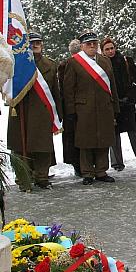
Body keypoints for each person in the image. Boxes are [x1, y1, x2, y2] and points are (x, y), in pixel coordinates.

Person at [62, 31, 119, 184]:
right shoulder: (73, 62)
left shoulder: (105, 61)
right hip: (84, 108)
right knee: (85, 142)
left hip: (104, 107)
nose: (92, 46)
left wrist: (115, 107)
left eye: (94, 43)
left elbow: (112, 86)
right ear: (82, 46)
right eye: (88, 44)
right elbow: (68, 89)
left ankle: (101, 171)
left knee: (103, 140)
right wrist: (71, 111)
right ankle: (87, 172)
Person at [7, 31, 61, 191]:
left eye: (38, 42)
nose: (35, 45)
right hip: (21, 112)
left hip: (42, 112)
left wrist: (59, 113)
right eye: (31, 43)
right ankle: (23, 178)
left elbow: (55, 92)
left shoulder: (50, 65)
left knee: (42, 147)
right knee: (20, 147)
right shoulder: (15, 65)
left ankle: (42, 177)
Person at [101, 37, 136, 172]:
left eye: (112, 48)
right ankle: (117, 163)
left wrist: (131, 96)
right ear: (103, 51)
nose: (110, 51)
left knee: (133, 132)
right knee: (114, 134)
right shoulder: (101, 64)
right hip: (112, 104)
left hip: (128, 103)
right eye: (107, 49)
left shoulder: (126, 61)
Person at [58, 39, 82, 176]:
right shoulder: (66, 65)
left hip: (71, 107)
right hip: (72, 107)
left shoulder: (64, 64)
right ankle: (78, 164)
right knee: (73, 138)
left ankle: (77, 164)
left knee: (73, 138)